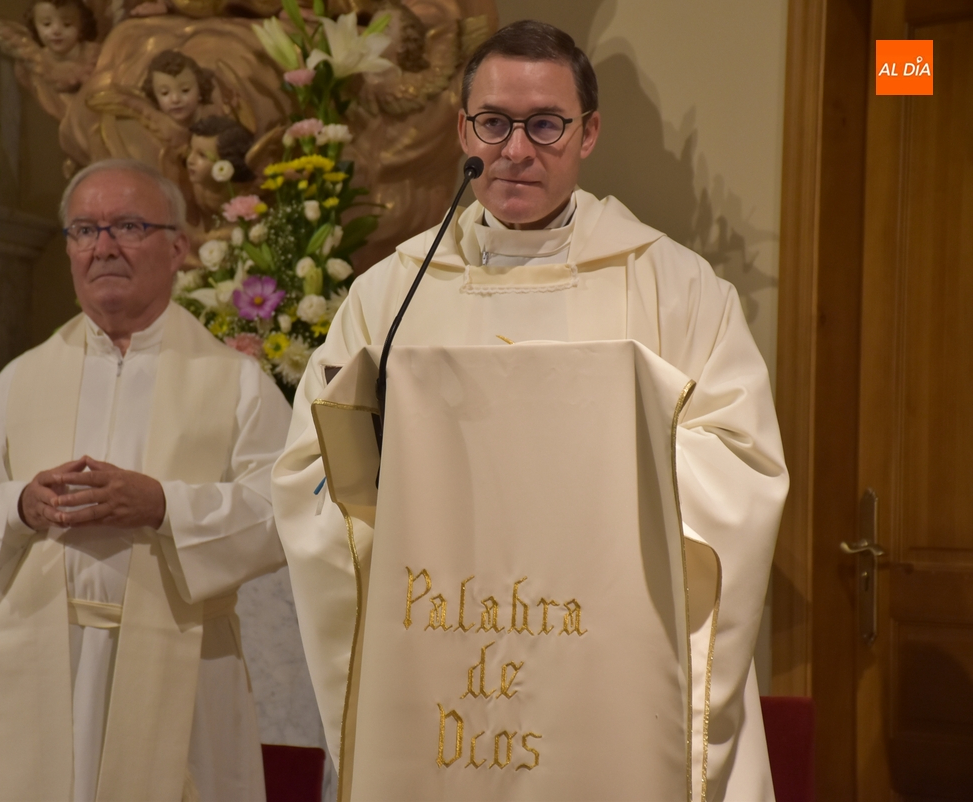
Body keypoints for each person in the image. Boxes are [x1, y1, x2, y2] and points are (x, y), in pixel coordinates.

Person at [271, 19, 788, 801]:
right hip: (440, 639)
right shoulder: (392, 294)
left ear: (588, 134)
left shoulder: (676, 288)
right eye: (494, 123)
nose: (516, 149)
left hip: (607, 657)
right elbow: (315, 466)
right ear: (463, 129)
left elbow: (741, 465)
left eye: (545, 124)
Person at [0, 158, 291, 802]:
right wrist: (21, 507)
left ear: (178, 248)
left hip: (184, 663)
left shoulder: (233, 382)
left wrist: (165, 505)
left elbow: (287, 505)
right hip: (46, 658)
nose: (104, 247)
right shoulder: (23, 379)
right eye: (85, 230)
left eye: (129, 226)